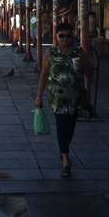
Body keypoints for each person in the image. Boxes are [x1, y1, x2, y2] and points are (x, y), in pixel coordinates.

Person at [35, 22, 90, 178]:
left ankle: (64, 149)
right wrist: (39, 96)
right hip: (57, 98)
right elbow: (44, 75)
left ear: (73, 36)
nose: (65, 39)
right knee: (61, 126)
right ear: (56, 37)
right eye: (62, 36)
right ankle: (65, 158)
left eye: (68, 36)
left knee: (70, 128)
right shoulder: (51, 53)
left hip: (74, 98)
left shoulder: (79, 53)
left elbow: (89, 70)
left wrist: (87, 90)